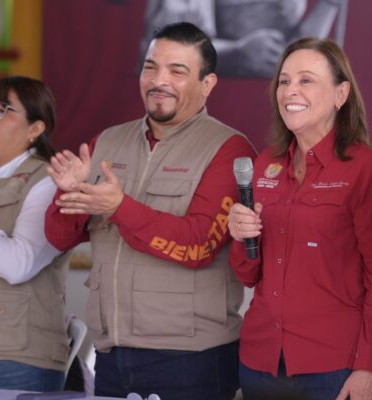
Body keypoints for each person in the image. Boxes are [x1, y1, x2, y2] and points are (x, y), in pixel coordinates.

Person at [44, 22, 256, 400]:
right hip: (111, 354)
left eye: (177, 71)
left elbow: (197, 246)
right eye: (150, 67)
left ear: (207, 84)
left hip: (191, 360)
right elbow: (59, 238)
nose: (159, 81)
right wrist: (70, 192)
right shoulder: (108, 140)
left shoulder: (229, 149)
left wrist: (119, 207)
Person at [227, 37, 372, 400]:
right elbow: (247, 274)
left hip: (336, 367)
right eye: (284, 81)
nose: (290, 90)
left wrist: (370, 368)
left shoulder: (368, 170)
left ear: (341, 94)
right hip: (261, 364)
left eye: (306, 80)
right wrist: (241, 235)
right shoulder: (265, 164)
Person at [0, 76, 69, 391]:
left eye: (2, 110)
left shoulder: (50, 182)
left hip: (15, 357)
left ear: (35, 129)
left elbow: (19, 264)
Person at [140, 0, 347, 78]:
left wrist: (329, 5)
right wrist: (237, 52)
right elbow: (171, 48)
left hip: (273, 108)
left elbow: (297, 53)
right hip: (214, 101)